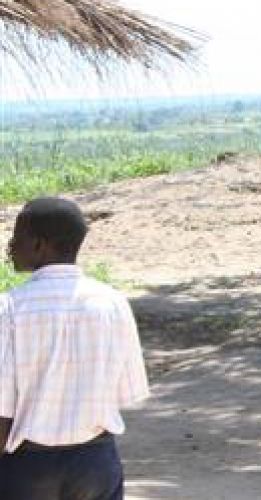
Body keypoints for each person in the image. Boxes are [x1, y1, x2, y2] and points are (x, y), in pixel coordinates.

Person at [0, 197, 149, 498]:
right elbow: (128, 391)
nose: (10, 245)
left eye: (17, 237)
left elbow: (2, 405)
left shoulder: (10, 308)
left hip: (30, 466)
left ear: (40, 245)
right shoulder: (112, 302)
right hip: (96, 461)